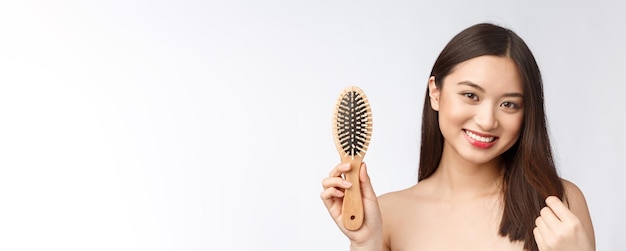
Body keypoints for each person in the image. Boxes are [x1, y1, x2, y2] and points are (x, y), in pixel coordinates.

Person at [320, 23, 595, 251]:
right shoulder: (387, 215)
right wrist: (366, 243)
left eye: (509, 104)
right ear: (435, 93)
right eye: (471, 95)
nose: (487, 120)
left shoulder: (558, 203)